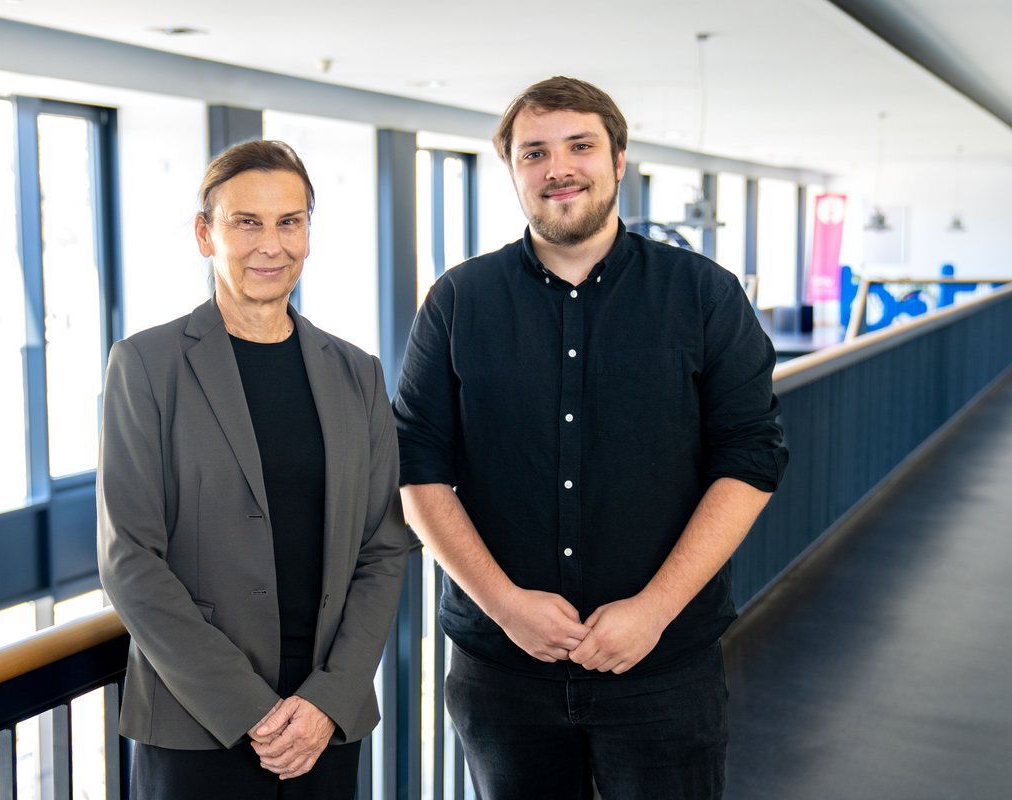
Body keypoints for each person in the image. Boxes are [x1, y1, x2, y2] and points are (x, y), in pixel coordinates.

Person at [394, 76, 788, 799]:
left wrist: (654, 609)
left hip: (661, 666)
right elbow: (417, 466)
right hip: (502, 670)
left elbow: (751, 455)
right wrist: (504, 602)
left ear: (618, 160)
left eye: (580, 145)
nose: (557, 168)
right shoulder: (458, 299)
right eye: (533, 152)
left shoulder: (703, 294)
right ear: (512, 170)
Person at [97, 140, 408, 799]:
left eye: (290, 222)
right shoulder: (147, 366)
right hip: (196, 725)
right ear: (206, 235)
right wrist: (252, 711)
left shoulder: (357, 373)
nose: (272, 245)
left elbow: (382, 551)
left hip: (328, 723)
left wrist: (328, 699)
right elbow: (130, 559)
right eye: (247, 222)